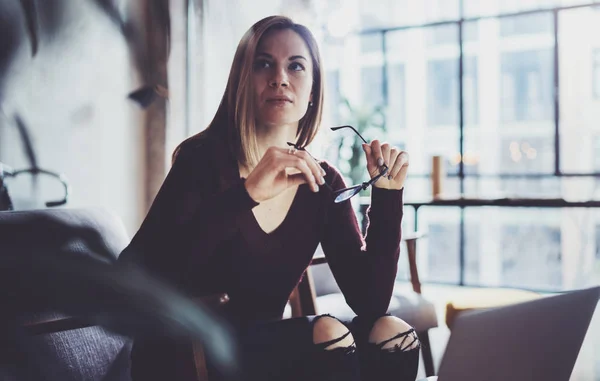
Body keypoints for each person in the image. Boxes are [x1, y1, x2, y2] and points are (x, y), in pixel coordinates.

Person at [119, 15, 419, 381]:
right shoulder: (201, 161)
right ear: (243, 81)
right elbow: (135, 273)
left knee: (392, 333)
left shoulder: (321, 184)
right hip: (188, 354)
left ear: (313, 90)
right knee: (327, 332)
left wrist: (387, 199)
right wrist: (245, 195)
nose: (280, 78)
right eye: (264, 64)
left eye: (296, 66)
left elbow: (370, 302)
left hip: (267, 349)